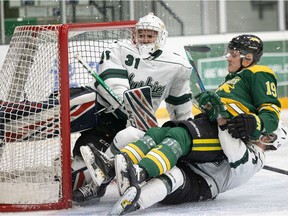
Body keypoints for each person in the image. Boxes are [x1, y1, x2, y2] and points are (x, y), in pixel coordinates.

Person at [71, 12, 193, 201]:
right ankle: (98, 178)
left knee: (128, 137)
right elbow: (114, 84)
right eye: (141, 35)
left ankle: (99, 184)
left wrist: (188, 131)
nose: (144, 40)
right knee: (77, 168)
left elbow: (180, 107)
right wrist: (127, 106)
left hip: (140, 126)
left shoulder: (175, 65)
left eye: (150, 35)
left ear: (161, 38)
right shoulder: (119, 50)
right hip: (109, 120)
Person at [107, 118, 288, 215]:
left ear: (272, 143)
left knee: (174, 175)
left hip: (203, 183)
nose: (262, 134)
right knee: (133, 135)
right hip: (192, 164)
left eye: (268, 136)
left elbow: (231, 147)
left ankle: (134, 202)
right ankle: (106, 169)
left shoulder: (257, 158)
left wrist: (221, 118)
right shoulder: (247, 143)